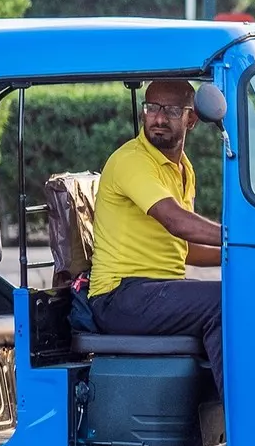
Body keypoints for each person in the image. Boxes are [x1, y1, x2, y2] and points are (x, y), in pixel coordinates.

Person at [86, 79, 224, 384]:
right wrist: (244, 236)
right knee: (223, 302)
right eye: (151, 108)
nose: (158, 118)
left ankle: (220, 414)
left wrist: (237, 253)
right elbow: (177, 222)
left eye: (171, 110)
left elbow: (183, 246)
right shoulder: (132, 160)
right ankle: (247, 420)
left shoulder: (183, 168)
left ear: (192, 118)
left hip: (154, 292)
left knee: (239, 293)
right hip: (119, 296)